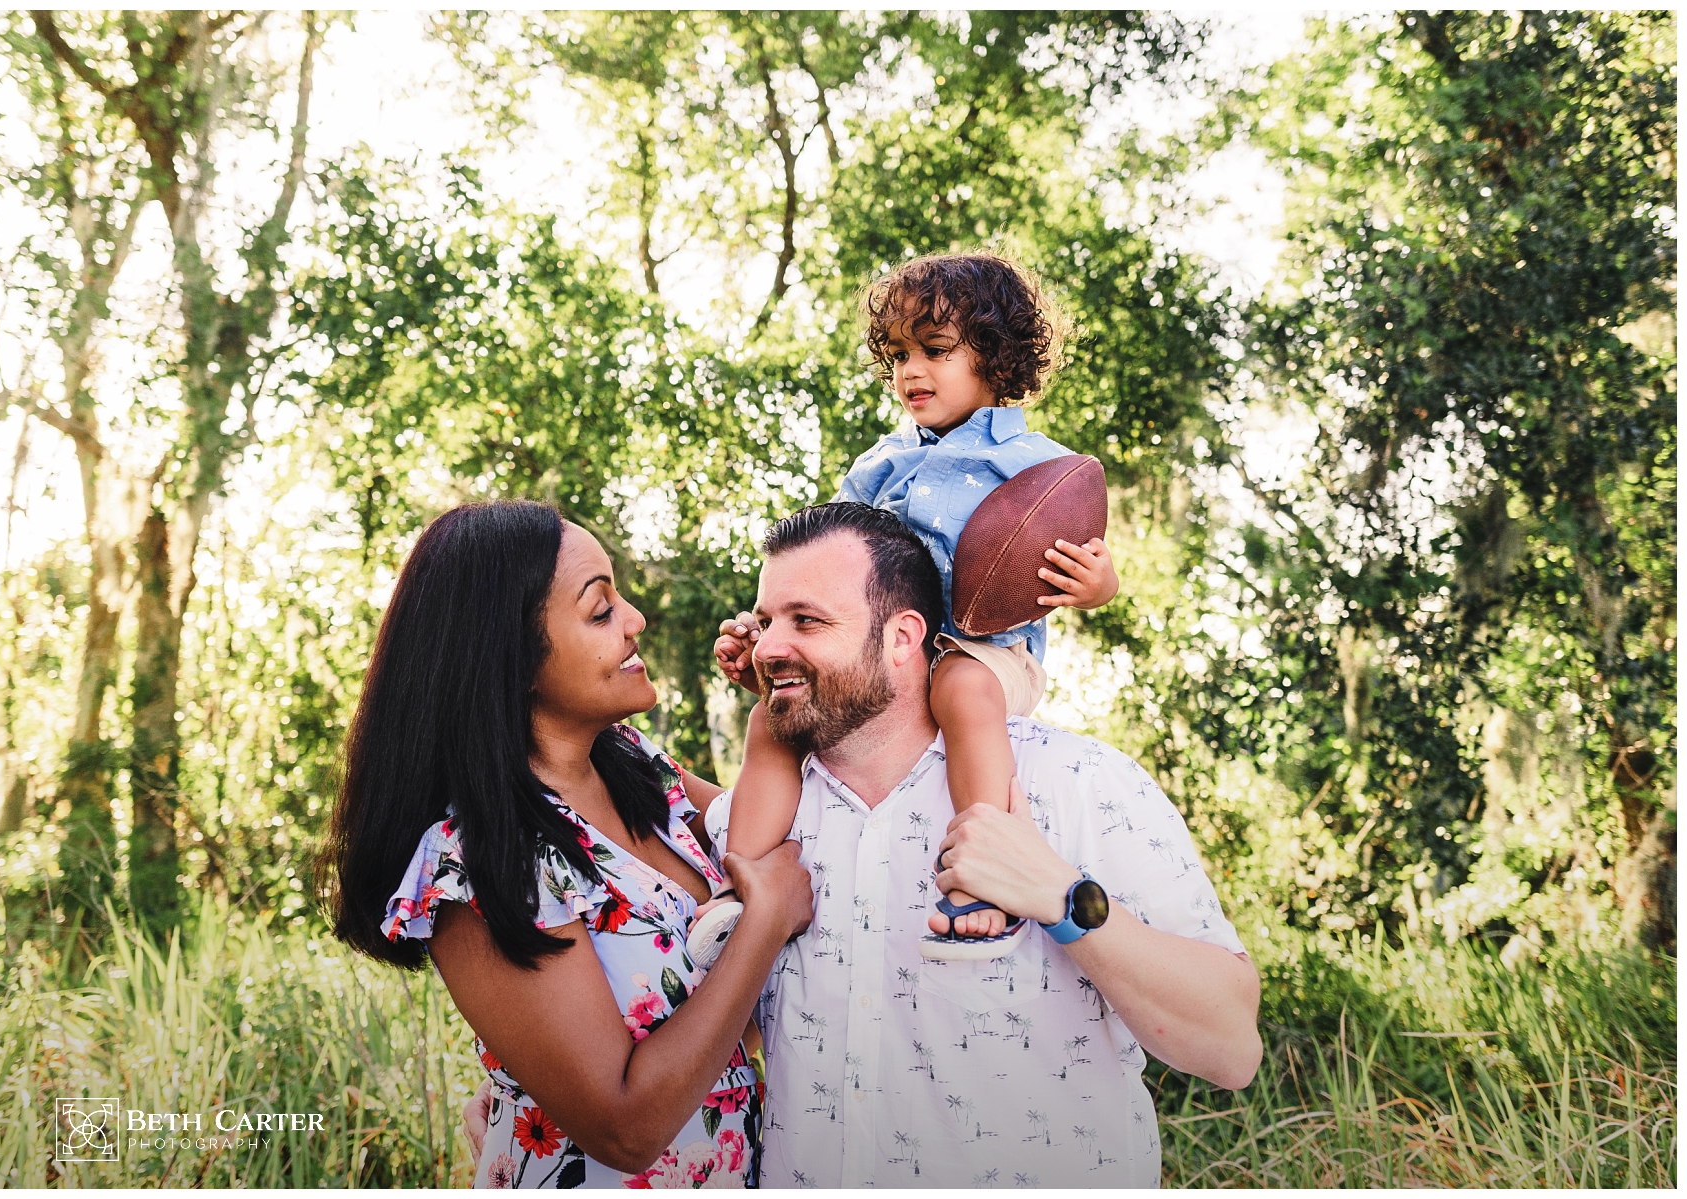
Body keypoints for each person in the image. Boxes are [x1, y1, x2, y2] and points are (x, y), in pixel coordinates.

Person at [706, 502, 1261, 1187]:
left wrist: (1059, 897)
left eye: (806, 620)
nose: (765, 647)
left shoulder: (1078, 783)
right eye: (764, 623)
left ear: (904, 636)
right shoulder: (752, 829)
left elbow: (1231, 1046)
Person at [318, 501, 814, 1188]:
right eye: (601, 609)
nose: (636, 619)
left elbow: (786, 833)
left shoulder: (638, 768)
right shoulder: (481, 864)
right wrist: (763, 922)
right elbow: (624, 1127)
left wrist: (782, 683)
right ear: (512, 658)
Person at [696, 252, 1118, 965]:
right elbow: (824, 567)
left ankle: (981, 876)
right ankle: (739, 889)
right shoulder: (881, 464)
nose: (909, 371)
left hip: (983, 650)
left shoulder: (1039, 466)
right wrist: (772, 630)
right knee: (777, 715)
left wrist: (1097, 585)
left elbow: (1086, 562)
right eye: (896, 355)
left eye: (935, 351)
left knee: (964, 689)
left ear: (997, 355)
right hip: (886, 650)